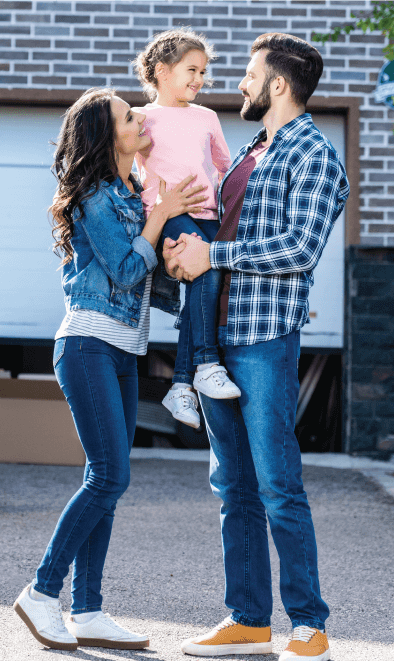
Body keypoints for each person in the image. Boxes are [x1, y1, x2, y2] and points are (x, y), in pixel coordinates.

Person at [164, 33, 349, 661]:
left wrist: (213, 253)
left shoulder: (315, 156)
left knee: (276, 483)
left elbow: (299, 250)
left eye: (248, 74)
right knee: (232, 486)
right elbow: (214, 228)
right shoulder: (250, 149)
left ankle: (308, 623)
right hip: (214, 337)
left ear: (277, 84)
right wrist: (183, 250)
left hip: (263, 337)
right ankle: (247, 619)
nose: (237, 84)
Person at [13, 87, 205, 652]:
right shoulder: (95, 196)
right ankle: (43, 592)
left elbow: (150, 280)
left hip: (122, 349)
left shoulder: (132, 192)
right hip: (88, 345)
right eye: (128, 115)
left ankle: (89, 610)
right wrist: (162, 217)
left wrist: (180, 252)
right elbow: (123, 272)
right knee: (108, 476)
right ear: (107, 136)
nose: (140, 117)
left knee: (109, 481)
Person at [132, 28, 241, 430]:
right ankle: (207, 364)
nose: (199, 79)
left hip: (208, 214)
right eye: (191, 70)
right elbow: (121, 160)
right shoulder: (142, 118)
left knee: (205, 287)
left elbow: (225, 168)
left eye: (203, 72)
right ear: (162, 71)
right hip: (169, 214)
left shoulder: (208, 117)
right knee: (205, 278)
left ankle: (181, 385)